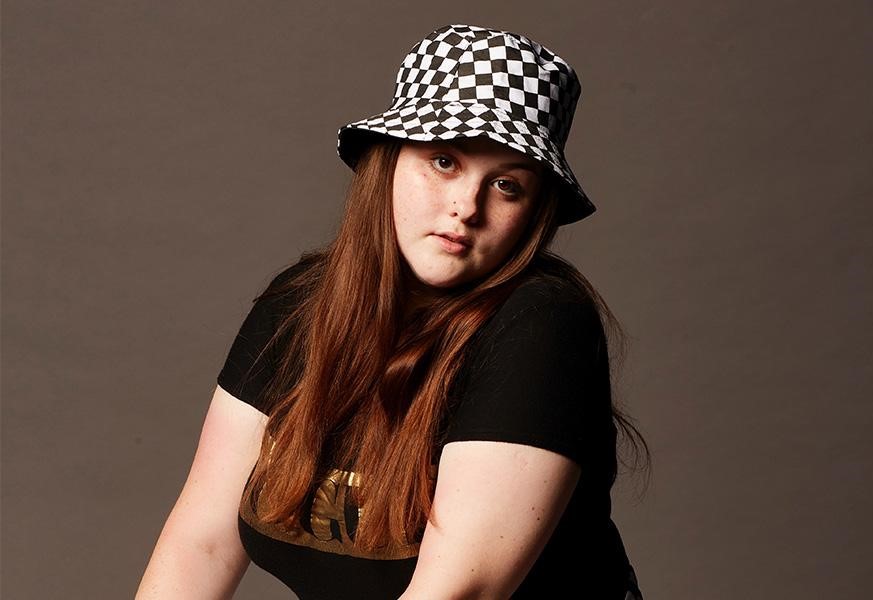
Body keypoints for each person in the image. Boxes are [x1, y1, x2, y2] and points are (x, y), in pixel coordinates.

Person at [136, 23, 649, 600]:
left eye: (506, 184)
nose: (466, 207)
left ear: (535, 213)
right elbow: (198, 544)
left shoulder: (543, 322)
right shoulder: (300, 303)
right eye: (445, 162)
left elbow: (459, 591)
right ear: (389, 160)